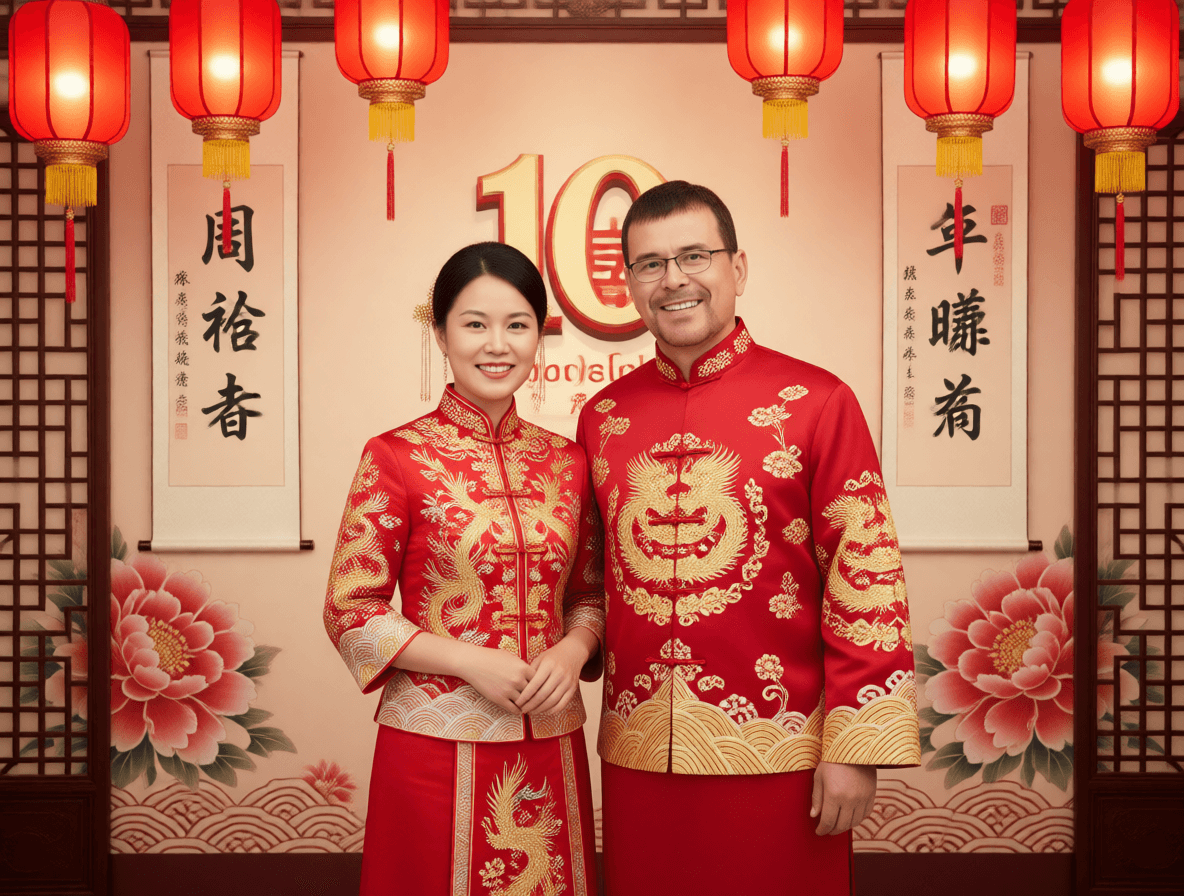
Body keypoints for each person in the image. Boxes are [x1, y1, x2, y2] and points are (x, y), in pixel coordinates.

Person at [575, 182, 920, 895]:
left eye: (694, 255)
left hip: (782, 753)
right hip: (639, 756)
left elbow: (868, 577)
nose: (673, 279)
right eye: (649, 264)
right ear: (632, 285)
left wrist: (856, 748)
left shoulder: (817, 401)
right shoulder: (604, 415)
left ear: (737, 266)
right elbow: (587, 577)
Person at [324, 242, 604, 896]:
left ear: (539, 337)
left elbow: (591, 594)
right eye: (474, 324)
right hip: (432, 744)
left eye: (517, 324)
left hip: (550, 739)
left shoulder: (569, 462)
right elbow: (350, 607)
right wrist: (470, 661)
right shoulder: (395, 456)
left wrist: (574, 649)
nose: (496, 344)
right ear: (441, 334)